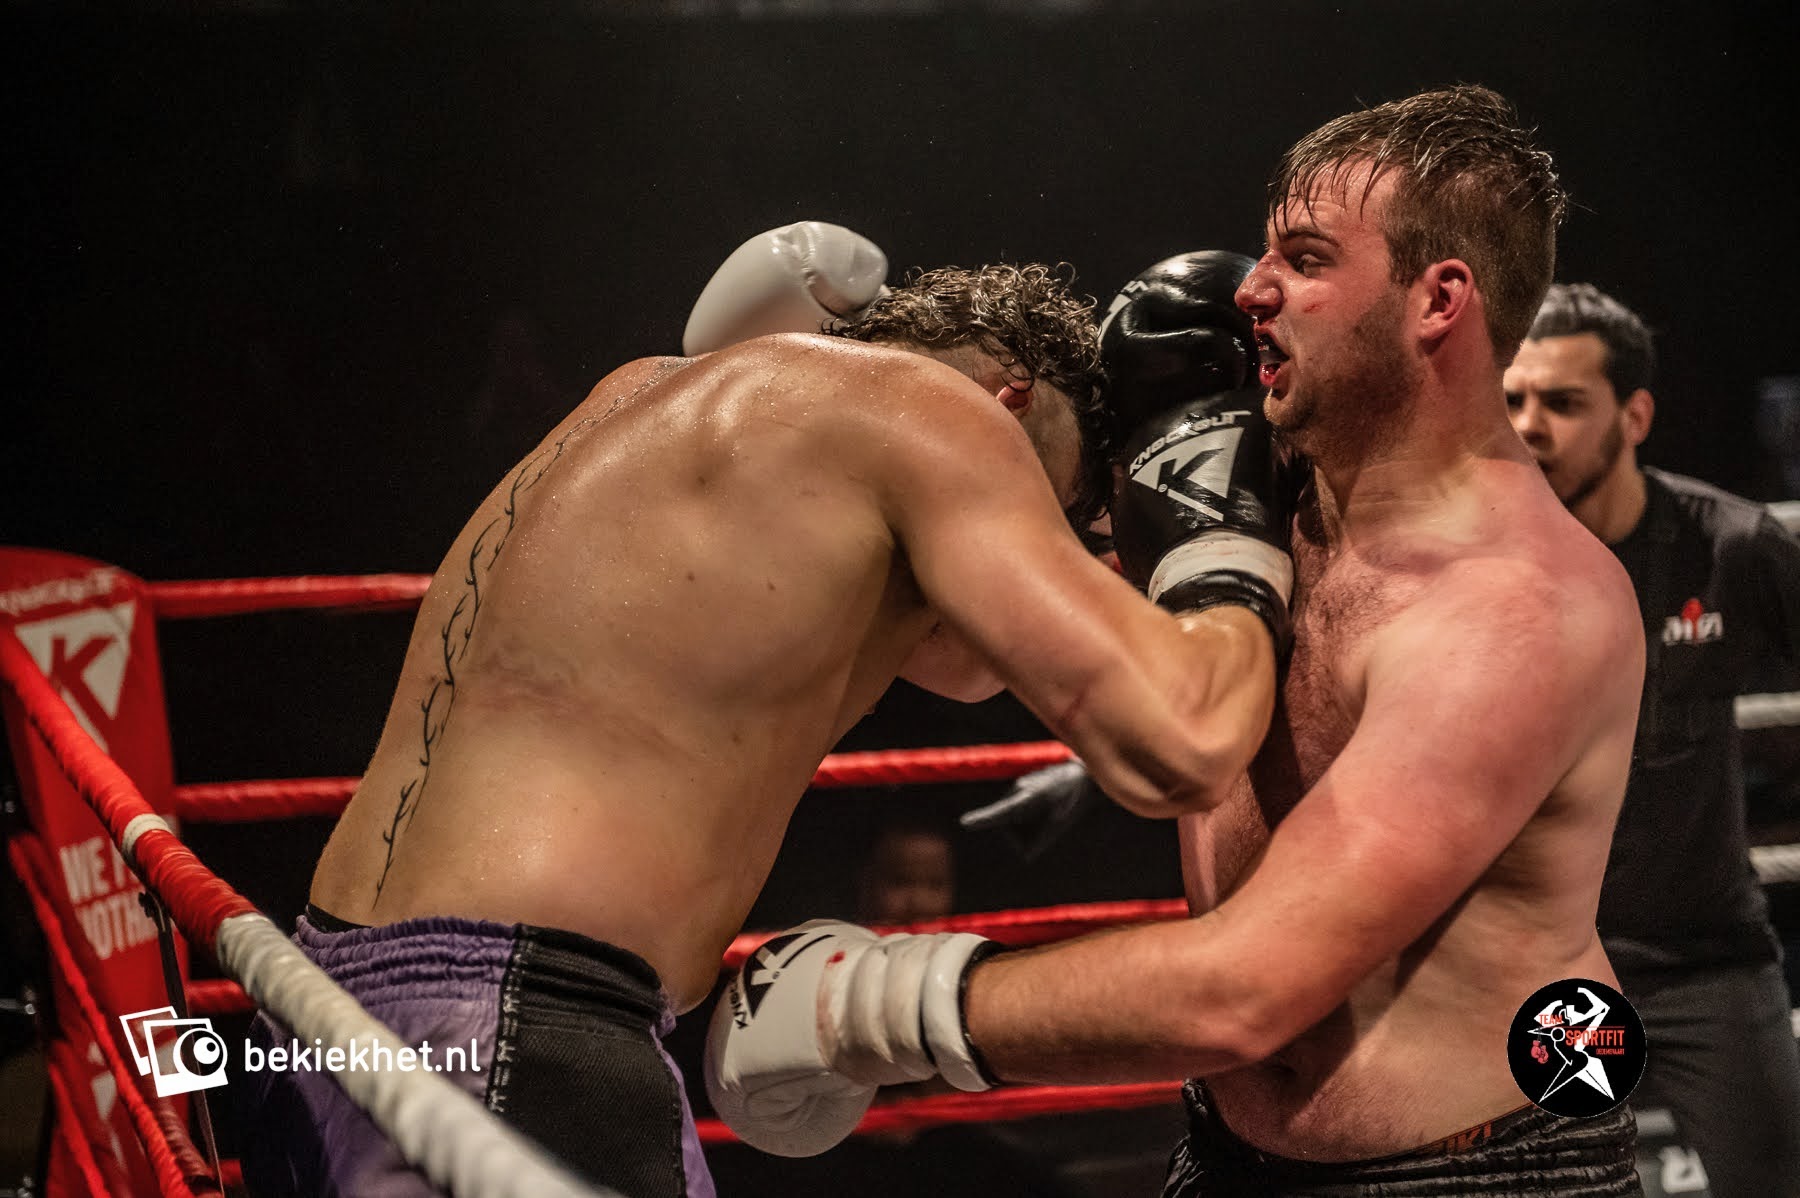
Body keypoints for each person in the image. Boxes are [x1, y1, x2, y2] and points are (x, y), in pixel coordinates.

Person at [708, 86, 1651, 1196]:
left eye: (1305, 258)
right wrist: (806, 393)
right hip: (1220, 1151)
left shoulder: (1515, 610)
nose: (1251, 288)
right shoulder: (1253, 493)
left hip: (1472, 1172)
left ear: (1438, 300)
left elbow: (1246, 989)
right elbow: (961, 653)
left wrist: (856, 1006)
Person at [239, 226, 1290, 1198]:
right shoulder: (939, 416)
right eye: (1052, 516)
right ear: (1007, 404)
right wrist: (1215, 532)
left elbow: (972, 663)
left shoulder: (636, 399)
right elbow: (1182, 741)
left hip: (314, 1007)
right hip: (516, 1031)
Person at [1504, 281, 1800, 1196]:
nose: (1529, 425)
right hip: (1551, 971)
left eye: (1562, 402)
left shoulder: (1730, 546)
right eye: (1514, 399)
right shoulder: (1476, 564)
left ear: (1633, 416)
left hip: (1710, 961)